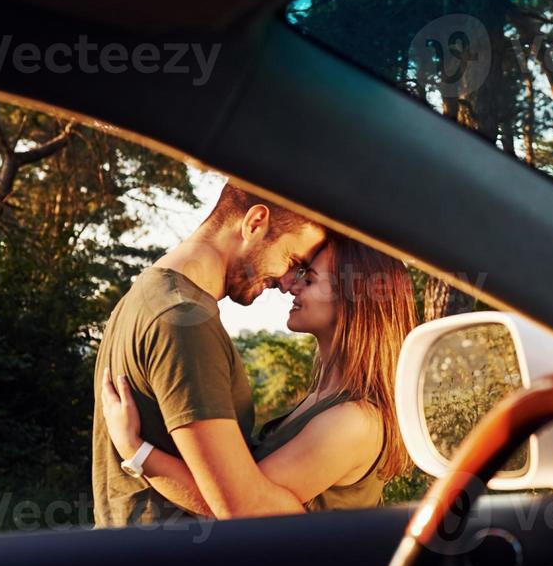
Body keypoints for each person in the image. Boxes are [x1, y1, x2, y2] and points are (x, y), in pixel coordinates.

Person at [99, 232, 417, 516]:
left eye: (309, 279)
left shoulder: (354, 421)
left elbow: (242, 509)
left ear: (353, 298)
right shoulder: (326, 400)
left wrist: (136, 451)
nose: (291, 285)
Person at [91, 180, 326, 527]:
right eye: (292, 259)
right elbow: (238, 507)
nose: (286, 281)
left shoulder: (141, 297)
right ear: (255, 223)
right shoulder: (183, 320)